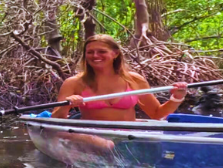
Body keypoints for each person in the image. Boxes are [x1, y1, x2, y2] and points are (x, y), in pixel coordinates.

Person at [57, 34, 187, 121]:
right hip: (93, 138)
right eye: (90, 52)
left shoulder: (135, 80)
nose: (95, 56)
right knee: (106, 145)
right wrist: (66, 105)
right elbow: (56, 119)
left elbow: (157, 114)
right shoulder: (73, 83)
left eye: (102, 51)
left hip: (127, 139)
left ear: (115, 54)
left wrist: (177, 97)